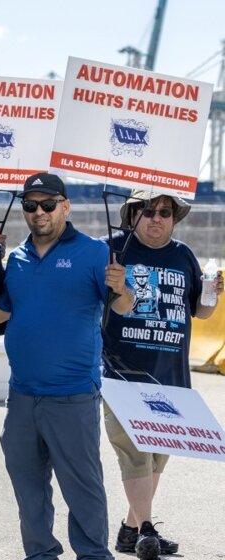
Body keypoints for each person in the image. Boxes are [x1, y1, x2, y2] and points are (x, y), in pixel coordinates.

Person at [0, 172, 134, 560]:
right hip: (21, 398)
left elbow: (122, 306)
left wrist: (122, 287)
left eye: (48, 204)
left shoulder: (94, 253)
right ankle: (40, 554)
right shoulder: (15, 258)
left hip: (72, 397)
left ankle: (93, 554)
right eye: (31, 205)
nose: (39, 212)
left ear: (65, 207)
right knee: (28, 487)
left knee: (82, 487)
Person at [102, 190, 223, 557]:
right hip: (122, 373)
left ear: (174, 217)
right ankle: (148, 531)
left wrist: (213, 295)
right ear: (133, 215)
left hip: (170, 376)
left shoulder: (184, 255)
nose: (157, 218)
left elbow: (199, 313)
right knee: (134, 454)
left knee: (157, 455)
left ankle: (130, 528)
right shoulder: (113, 248)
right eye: (148, 211)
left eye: (164, 212)